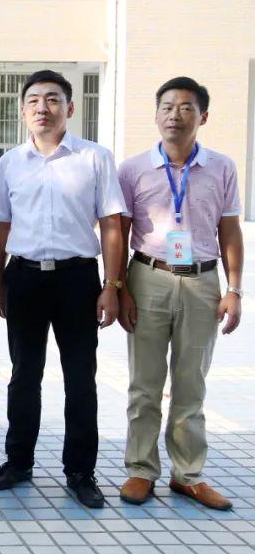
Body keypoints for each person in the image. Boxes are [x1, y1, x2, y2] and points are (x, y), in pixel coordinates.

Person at [0, 69, 125, 509]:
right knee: (24, 375)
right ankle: (19, 461)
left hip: (77, 280)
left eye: (52, 99)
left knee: (80, 378)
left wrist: (112, 285)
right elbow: (0, 227)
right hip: (23, 276)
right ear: (23, 110)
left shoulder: (94, 157)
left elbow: (112, 226)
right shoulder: (11, 161)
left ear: (70, 107)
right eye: (33, 101)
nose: (42, 108)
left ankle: (81, 471)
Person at [116, 77, 244, 511]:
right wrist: (118, 289)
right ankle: (140, 469)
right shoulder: (132, 169)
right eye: (167, 107)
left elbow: (229, 230)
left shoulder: (222, 167)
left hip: (202, 281)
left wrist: (235, 289)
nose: (175, 115)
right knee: (144, 384)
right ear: (156, 115)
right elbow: (119, 231)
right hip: (148, 275)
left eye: (186, 108)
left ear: (202, 117)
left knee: (191, 383)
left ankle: (188, 474)